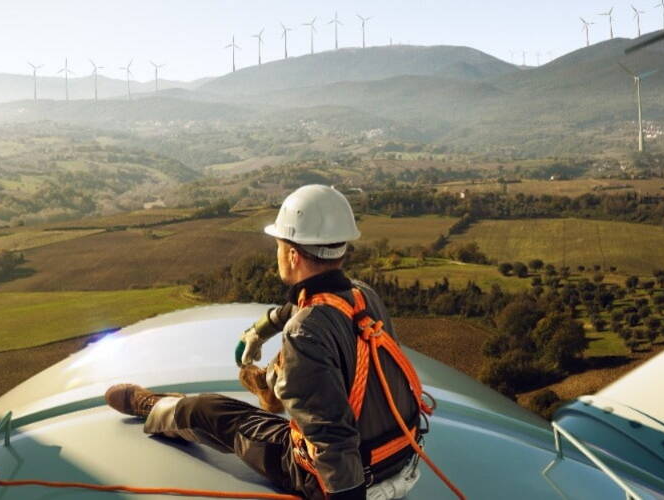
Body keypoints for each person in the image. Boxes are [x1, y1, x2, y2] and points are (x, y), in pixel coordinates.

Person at [105, 185, 431, 500]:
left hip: (349, 483)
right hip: (401, 458)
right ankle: (271, 383)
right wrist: (260, 331)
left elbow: (331, 436)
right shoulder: (362, 296)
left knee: (211, 411)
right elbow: (303, 306)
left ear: (291, 254)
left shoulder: (305, 332)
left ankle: (157, 407)